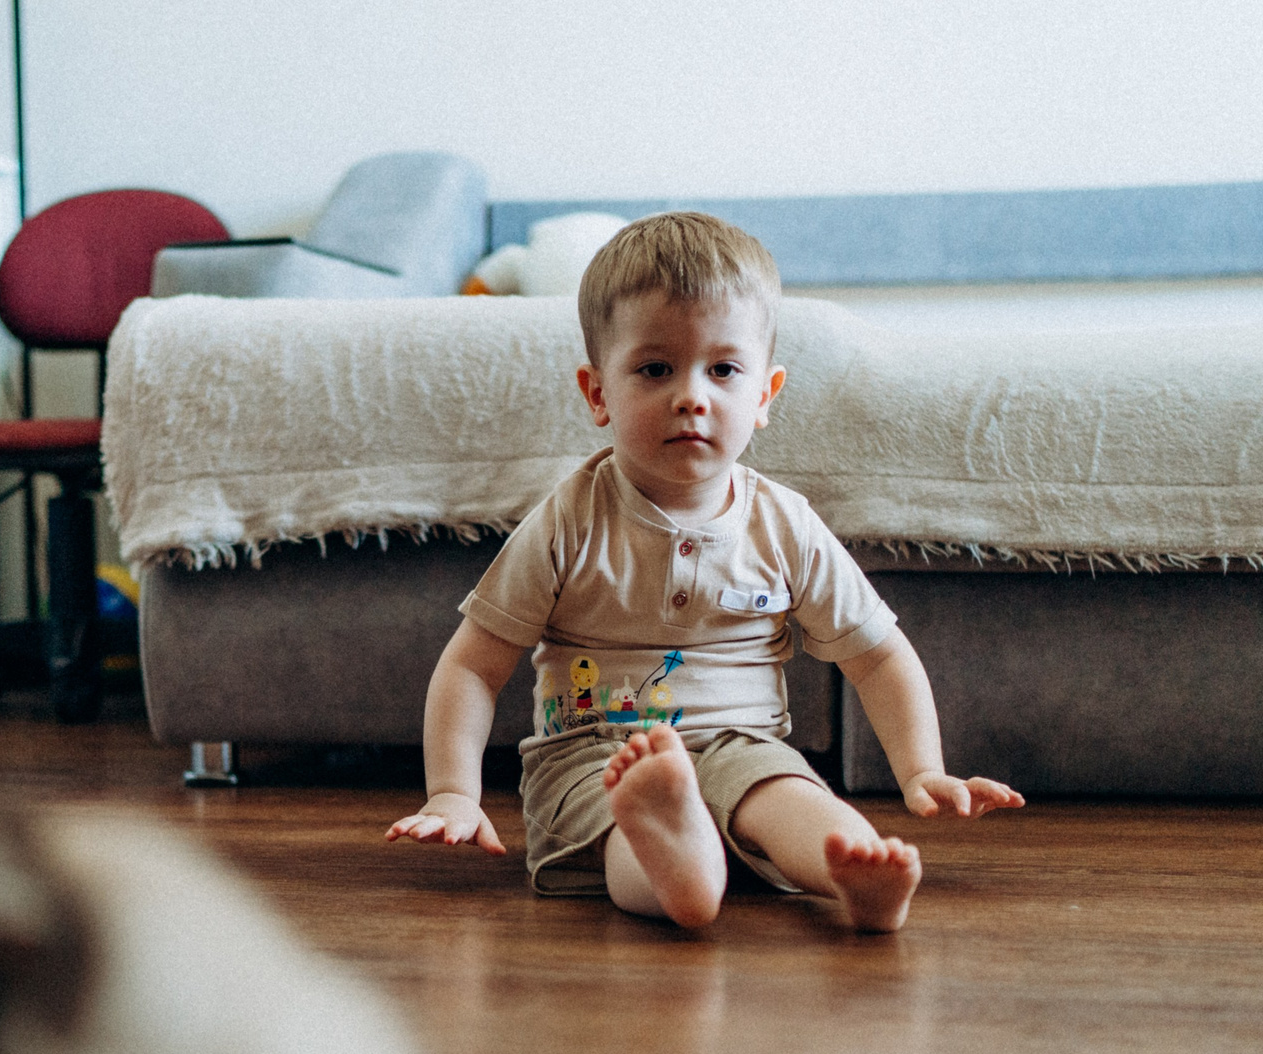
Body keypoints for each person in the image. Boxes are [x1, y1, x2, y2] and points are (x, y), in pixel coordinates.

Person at [383, 211, 1021, 932]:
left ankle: (851, 876)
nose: (693, 394)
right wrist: (453, 794)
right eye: (656, 368)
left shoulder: (783, 524)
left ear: (764, 395)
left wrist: (921, 770)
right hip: (595, 758)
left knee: (792, 800)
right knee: (622, 834)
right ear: (598, 393)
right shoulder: (570, 518)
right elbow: (473, 666)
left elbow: (876, 655)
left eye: (723, 369)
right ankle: (672, 858)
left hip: (741, 745)